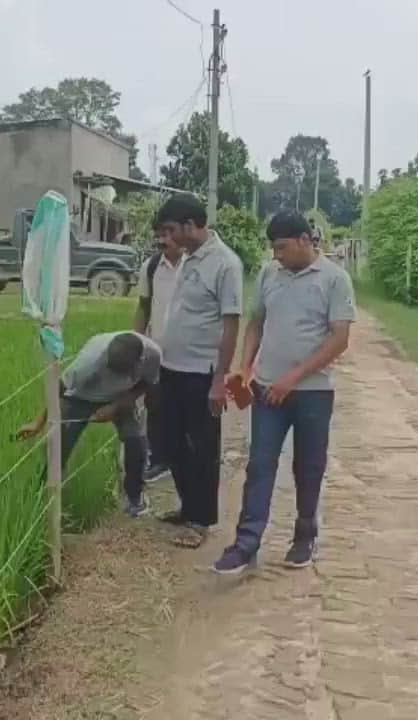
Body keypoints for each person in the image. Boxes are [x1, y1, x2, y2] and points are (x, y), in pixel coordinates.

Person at [212, 211, 356, 574]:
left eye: (282, 247)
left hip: (312, 393)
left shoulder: (335, 280)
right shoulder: (268, 274)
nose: (276, 255)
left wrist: (292, 378)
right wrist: (245, 367)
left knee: (308, 467)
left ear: (305, 240)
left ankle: (304, 537)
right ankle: (246, 543)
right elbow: (256, 323)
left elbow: (340, 338)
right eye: (273, 248)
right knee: (260, 464)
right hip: (265, 391)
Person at [153, 194, 243, 548]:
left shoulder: (225, 264)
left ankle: (201, 520)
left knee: (202, 448)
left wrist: (220, 379)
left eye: (172, 229)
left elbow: (231, 324)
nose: (169, 237)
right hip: (171, 367)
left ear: (191, 225)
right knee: (172, 443)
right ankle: (187, 506)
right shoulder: (188, 259)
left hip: (201, 372)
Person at [17, 331, 162, 517]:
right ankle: (43, 501)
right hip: (81, 396)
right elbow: (59, 387)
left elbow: (149, 384)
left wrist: (117, 406)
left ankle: (135, 497)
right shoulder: (89, 362)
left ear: (139, 362)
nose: (114, 377)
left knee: (137, 444)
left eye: (121, 373)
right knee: (58, 447)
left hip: (122, 397)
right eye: (111, 370)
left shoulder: (152, 355)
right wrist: (37, 423)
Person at [132, 228, 184, 482]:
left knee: (184, 408)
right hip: (156, 351)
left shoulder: (195, 266)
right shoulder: (151, 267)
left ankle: (184, 460)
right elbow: (143, 307)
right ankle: (159, 459)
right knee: (155, 405)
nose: (162, 240)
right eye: (159, 234)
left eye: (168, 233)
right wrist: (136, 343)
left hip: (189, 355)